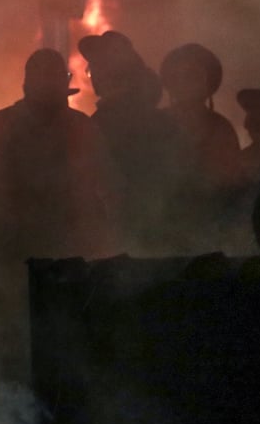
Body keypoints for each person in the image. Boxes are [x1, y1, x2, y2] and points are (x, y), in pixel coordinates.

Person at [0, 48, 118, 383]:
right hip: (14, 263)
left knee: (65, 360)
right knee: (16, 359)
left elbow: (106, 189)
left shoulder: (83, 130)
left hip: (69, 261)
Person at [79, 30, 185, 255]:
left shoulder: (101, 124)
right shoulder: (163, 120)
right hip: (167, 236)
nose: (93, 74)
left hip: (122, 241)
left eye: (94, 68)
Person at [157, 43, 243, 253]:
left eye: (191, 76)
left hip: (208, 230)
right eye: (176, 76)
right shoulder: (154, 125)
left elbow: (230, 185)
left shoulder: (221, 129)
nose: (182, 82)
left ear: (208, 83)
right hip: (160, 229)